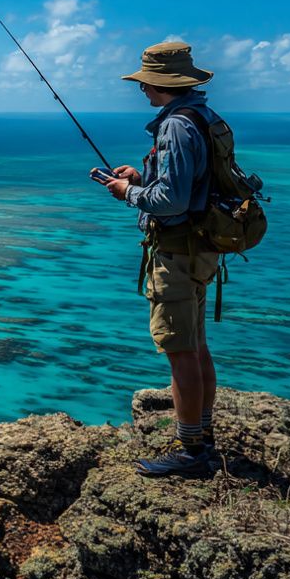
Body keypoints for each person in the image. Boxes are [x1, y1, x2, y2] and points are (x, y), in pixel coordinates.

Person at [99, 41, 221, 477]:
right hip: (202, 248)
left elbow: (171, 200)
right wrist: (141, 175)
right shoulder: (203, 117)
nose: (141, 89)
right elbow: (190, 182)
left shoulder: (175, 127)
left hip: (179, 251)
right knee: (195, 343)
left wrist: (128, 192)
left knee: (179, 349)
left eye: (145, 81)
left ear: (160, 82)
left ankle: (191, 451)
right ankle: (202, 436)